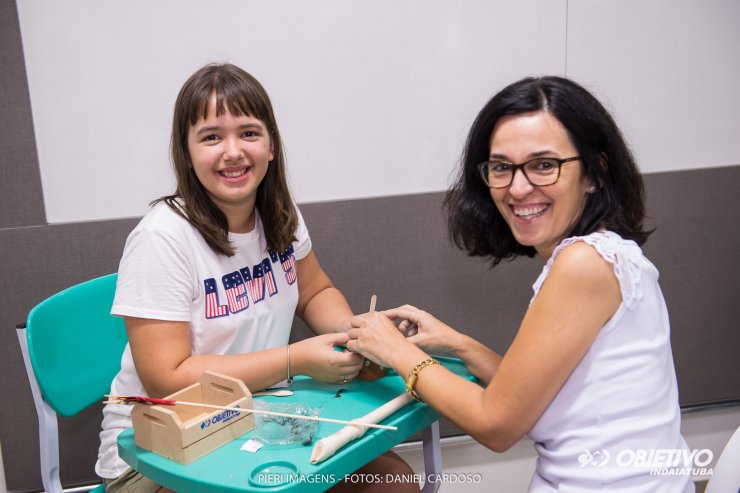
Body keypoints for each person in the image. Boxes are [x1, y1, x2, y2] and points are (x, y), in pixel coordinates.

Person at [347, 76, 694, 492]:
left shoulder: (582, 264)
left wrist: (395, 351)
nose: (518, 187)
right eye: (501, 167)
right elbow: (534, 395)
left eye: (544, 165)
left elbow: (497, 424)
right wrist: (459, 344)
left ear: (595, 172)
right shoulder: (608, 252)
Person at [96, 63, 417, 493]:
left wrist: (355, 335)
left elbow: (314, 292)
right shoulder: (161, 238)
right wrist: (295, 360)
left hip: (257, 420)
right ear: (186, 153)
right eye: (211, 137)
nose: (233, 151)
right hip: (160, 453)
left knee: (393, 483)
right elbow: (167, 379)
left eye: (248, 133)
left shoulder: (280, 214)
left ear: (271, 146)